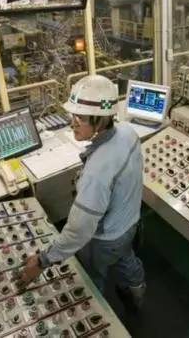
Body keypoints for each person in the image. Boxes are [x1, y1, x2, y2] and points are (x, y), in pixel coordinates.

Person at [17, 75, 146, 309]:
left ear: (101, 119)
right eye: (72, 116)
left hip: (105, 239)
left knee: (92, 276)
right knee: (125, 256)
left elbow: (79, 230)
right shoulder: (128, 132)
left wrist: (43, 260)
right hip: (130, 224)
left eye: (81, 118)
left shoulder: (96, 173)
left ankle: (98, 311)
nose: (73, 124)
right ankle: (137, 290)